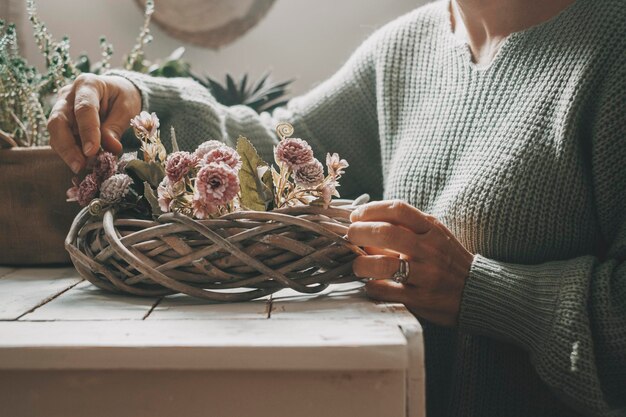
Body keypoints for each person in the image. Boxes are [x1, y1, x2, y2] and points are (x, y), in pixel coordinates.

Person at [48, 0, 625, 415]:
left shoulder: (613, 49)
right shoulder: (405, 47)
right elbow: (275, 147)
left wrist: (481, 291)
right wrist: (140, 99)